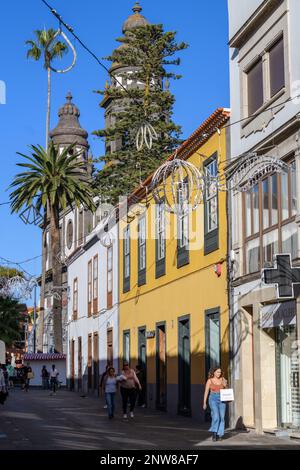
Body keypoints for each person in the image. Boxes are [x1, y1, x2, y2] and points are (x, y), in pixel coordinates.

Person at [203, 366, 228, 441]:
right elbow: (206, 392)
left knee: (222, 417)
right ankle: (214, 433)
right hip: (213, 399)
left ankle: (220, 434)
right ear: (214, 372)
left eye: (220, 372)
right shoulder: (210, 381)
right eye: (217, 372)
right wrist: (204, 402)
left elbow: (227, 390)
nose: (219, 374)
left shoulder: (223, 379)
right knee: (216, 416)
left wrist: (225, 385)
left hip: (222, 399)